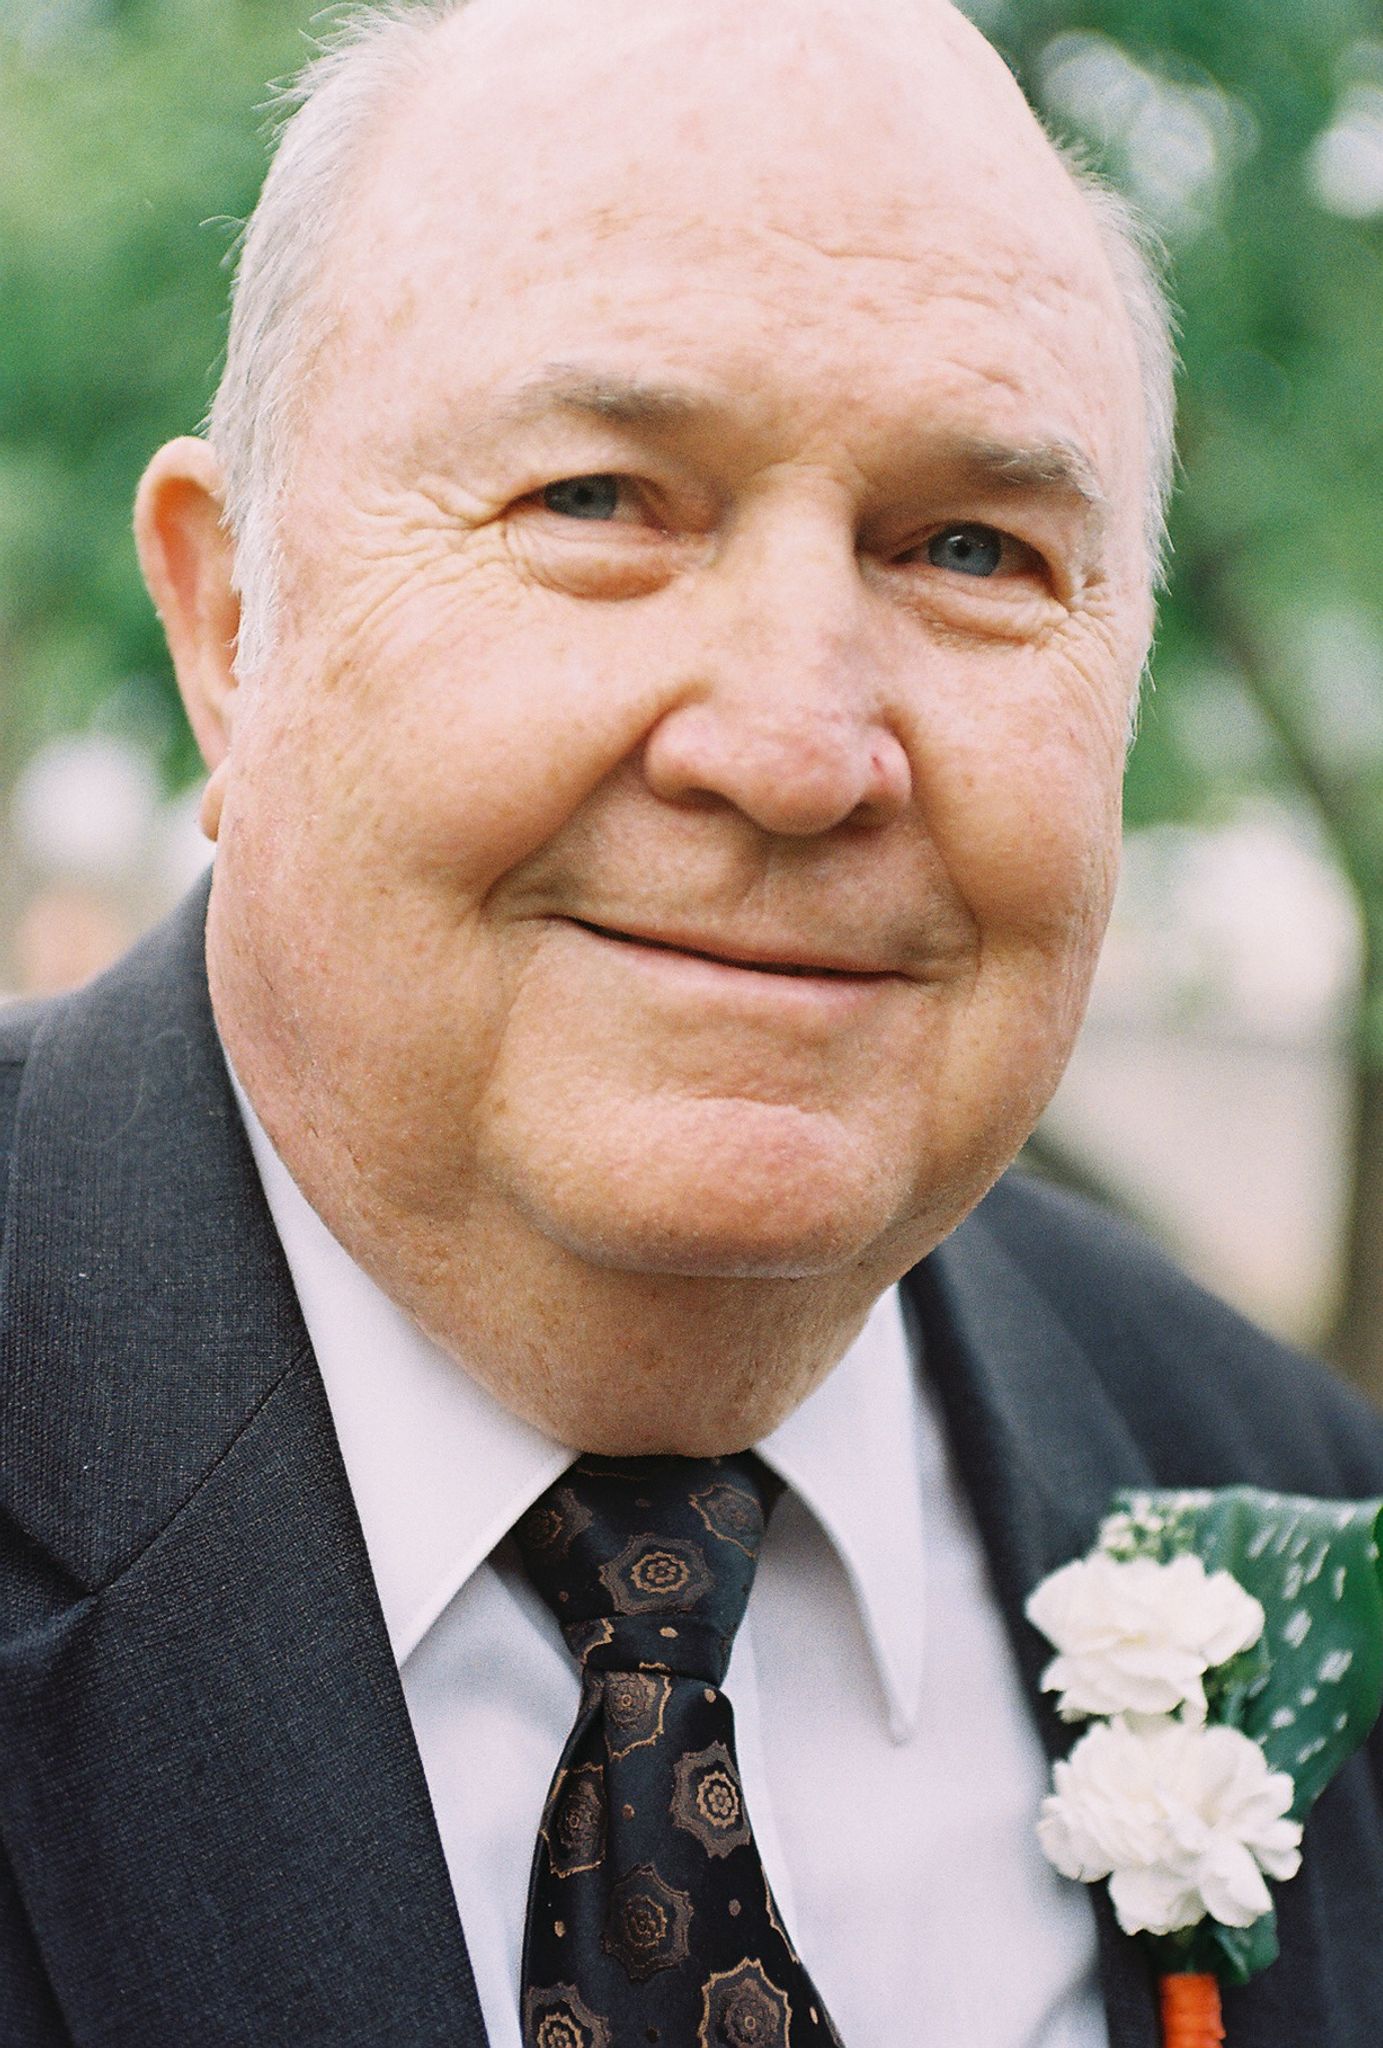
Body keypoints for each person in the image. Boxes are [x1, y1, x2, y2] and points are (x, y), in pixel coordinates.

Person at [2, 0, 1380, 2042]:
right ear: (229, 626)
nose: (795, 749)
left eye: (973, 550)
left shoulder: (1282, 1504)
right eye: (597, 501)